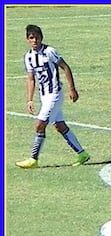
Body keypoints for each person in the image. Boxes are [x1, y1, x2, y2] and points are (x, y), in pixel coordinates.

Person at [15, 24, 90, 169]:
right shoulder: (28, 57)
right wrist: (29, 99)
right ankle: (82, 153)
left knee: (39, 124)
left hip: (54, 94)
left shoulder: (49, 51)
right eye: (31, 38)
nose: (34, 40)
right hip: (44, 96)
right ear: (27, 40)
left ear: (41, 38)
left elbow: (65, 67)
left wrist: (72, 89)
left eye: (37, 37)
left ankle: (33, 159)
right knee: (59, 125)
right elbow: (31, 79)